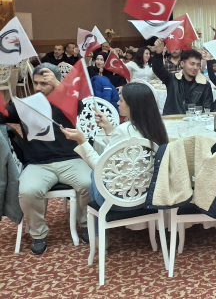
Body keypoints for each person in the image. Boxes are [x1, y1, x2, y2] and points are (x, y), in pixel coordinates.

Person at [61, 83, 169, 243]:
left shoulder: (124, 129)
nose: (117, 103)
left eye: (121, 100)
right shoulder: (156, 127)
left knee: (94, 175)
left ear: (132, 105)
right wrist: (109, 129)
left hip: (120, 200)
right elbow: (123, 148)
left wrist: (82, 140)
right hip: (148, 196)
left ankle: (99, 236)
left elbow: (100, 165)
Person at [1, 64, 88, 254]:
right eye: (36, 83)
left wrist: (58, 86)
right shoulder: (26, 105)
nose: (38, 88)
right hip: (38, 164)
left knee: (89, 183)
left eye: (44, 83)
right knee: (28, 192)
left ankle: (86, 224)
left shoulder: (67, 101)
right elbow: (2, 115)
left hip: (70, 159)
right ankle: (38, 234)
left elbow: (79, 105)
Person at [152, 39, 213, 115]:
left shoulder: (204, 84)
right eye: (192, 64)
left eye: (198, 65)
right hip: (172, 118)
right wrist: (158, 52)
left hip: (194, 120)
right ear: (182, 64)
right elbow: (157, 69)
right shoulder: (172, 79)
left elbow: (207, 109)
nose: (195, 68)